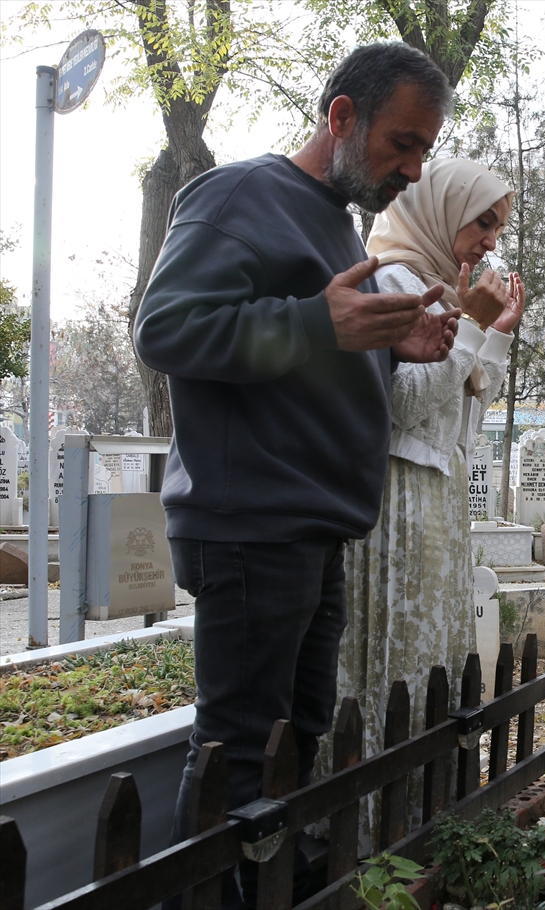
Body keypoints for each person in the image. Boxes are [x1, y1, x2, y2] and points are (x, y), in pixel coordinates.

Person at [133, 42, 457, 907]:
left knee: (293, 742)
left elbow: (311, 354)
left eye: (425, 149)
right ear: (341, 116)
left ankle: (267, 890)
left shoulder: (337, 222)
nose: (413, 169)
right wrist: (322, 328)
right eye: (402, 143)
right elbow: (165, 330)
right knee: (238, 757)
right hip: (248, 526)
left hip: (312, 528)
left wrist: (394, 348)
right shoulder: (242, 194)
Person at [319, 158, 524, 846]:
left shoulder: (441, 283)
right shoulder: (392, 278)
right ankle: (369, 830)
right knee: (392, 666)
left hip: (436, 497)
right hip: (396, 497)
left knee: (428, 664)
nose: (491, 241)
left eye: (498, 226)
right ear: (441, 210)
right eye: (484, 222)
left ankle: (420, 820)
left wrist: (489, 334)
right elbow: (401, 406)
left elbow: (460, 420)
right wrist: (469, 326)